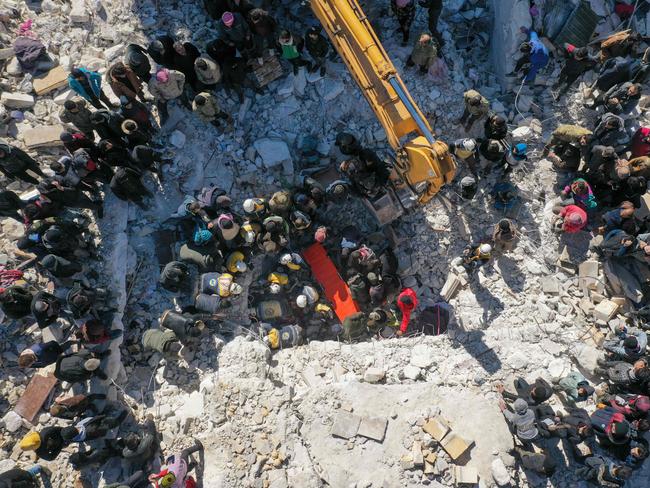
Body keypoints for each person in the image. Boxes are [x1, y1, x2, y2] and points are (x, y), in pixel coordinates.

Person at [61, 411, 128, 444]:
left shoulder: (75, 438)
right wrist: (102, 417)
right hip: (98, 427)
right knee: (113, 423)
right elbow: (102, 428)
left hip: (94, 426)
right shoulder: (90, 430)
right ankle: (123, 416)